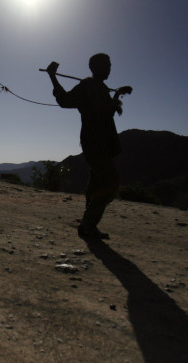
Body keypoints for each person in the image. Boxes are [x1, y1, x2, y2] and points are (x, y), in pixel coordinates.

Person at [46, 54, 124, 241]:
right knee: (111, 183)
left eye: (110, 65)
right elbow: (65, 101)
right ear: (95, 67)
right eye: (106, 65)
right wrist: (52, 76)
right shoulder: (87, 86)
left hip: (103, 144)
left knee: (96, 186)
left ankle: (89, 228)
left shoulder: (101, 88)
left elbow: (108, 112)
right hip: (94, 144)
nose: (109, 68)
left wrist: (117, 94)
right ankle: (87, 225)